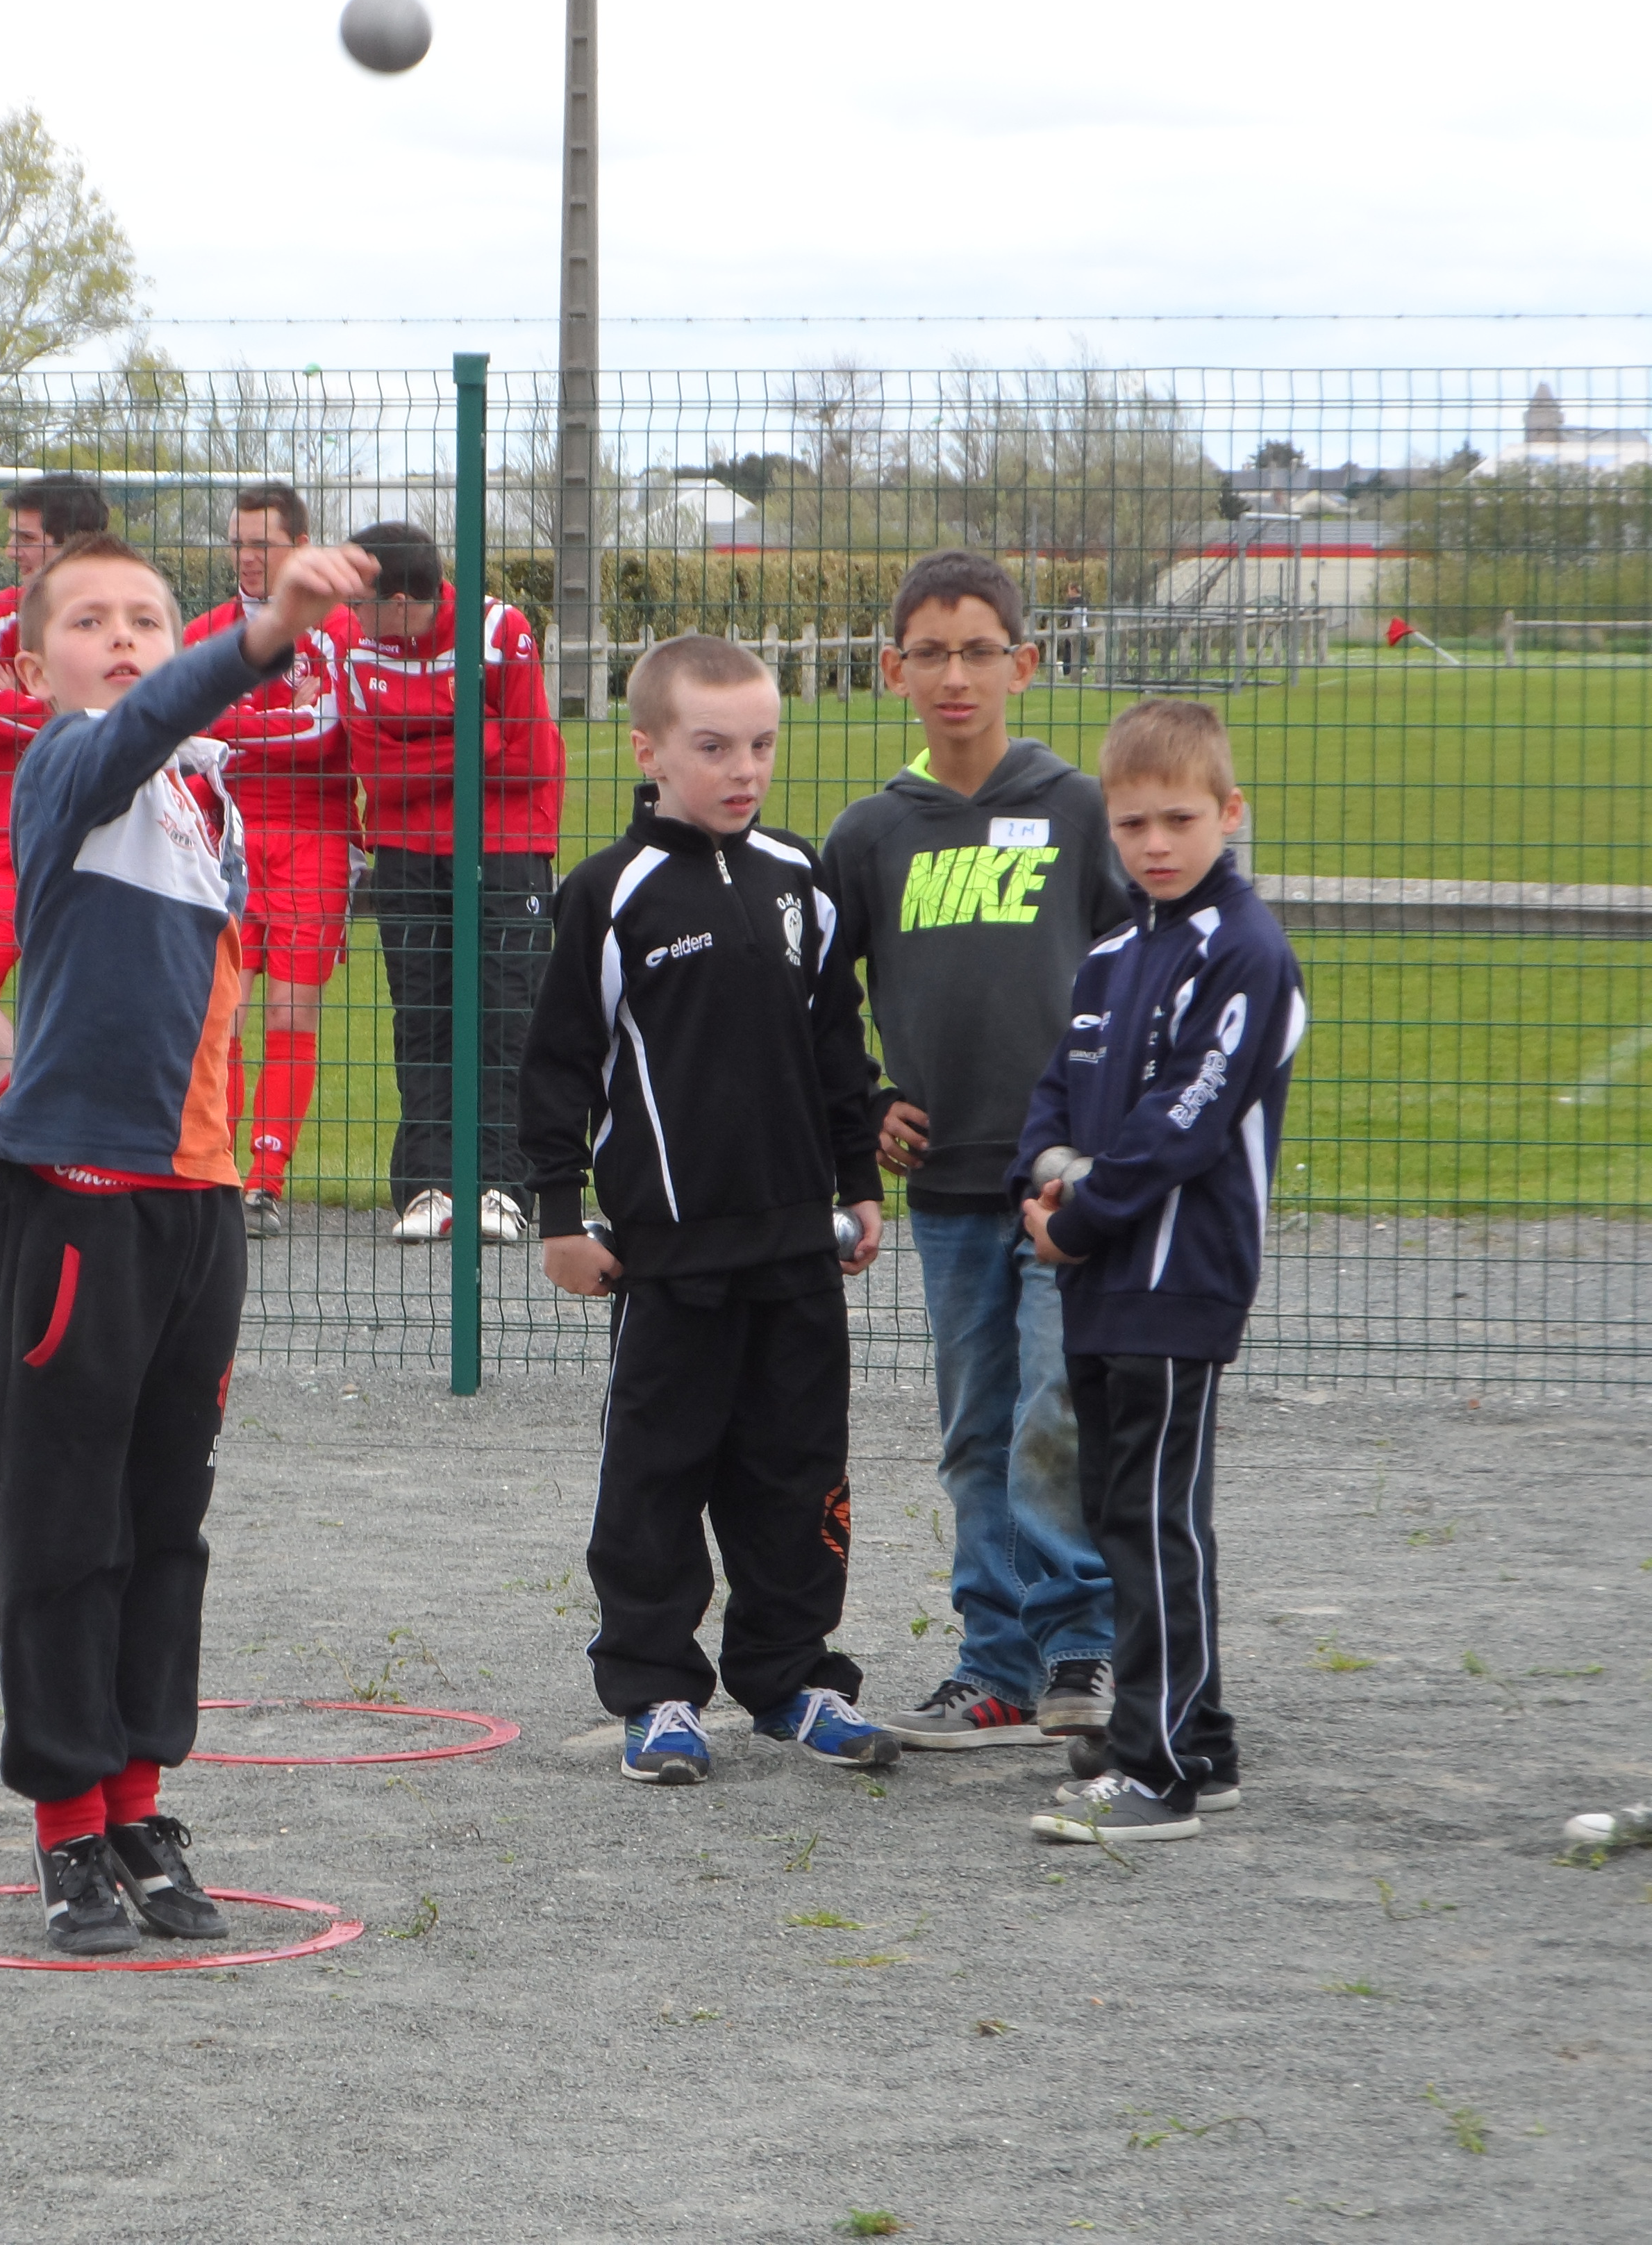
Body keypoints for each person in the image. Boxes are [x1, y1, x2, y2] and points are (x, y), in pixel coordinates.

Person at [0, 527, 380, 1954]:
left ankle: (140, 1805)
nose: (125, 639)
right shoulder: (67, 765)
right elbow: (146, 722)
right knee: (62, 1527)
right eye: (89, 621)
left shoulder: (205, 798)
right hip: (79, 1202)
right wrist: (264, 635)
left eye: (147, 618)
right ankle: (68, 1825)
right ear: (36, 668)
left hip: (196, 1209)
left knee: (165, 1527)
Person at [518, 635, 899, 1788]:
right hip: (671, 1259)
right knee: (656, 1475)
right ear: (650, 752)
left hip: (795, 1250)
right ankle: (657, 1691)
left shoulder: (798, 879)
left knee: (798, 1470)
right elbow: (557, 1066)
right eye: (714, 746)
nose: (745, 770)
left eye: (762, 745)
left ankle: (792, 1677)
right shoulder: (609, 894)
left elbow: (836, 1045)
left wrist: (859, 1182)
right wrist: (559, 1216)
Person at [821, 551, 1133, 1752]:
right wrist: (866, 1104)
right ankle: (994, 1662)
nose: (956, 676)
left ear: (1025, 663)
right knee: (976, 1430)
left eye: (979, 652)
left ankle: (1080, 1648)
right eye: (931, 654)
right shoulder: (872, 833)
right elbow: (817, 1000)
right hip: (948, 1189)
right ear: (892, 669)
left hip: (1063, 1184)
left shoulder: (1079, 811)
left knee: (1058, 1413)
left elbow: (1141, 972)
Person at [1017, 697, 1307, 1846]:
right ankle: (1198, 1739)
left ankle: (1162, 1769)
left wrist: (1079, 1217)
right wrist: (1037, 1181)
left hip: (1178, 1279)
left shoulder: (1246, 950)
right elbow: (1058, 1088)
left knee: (1154, 1524)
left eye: (1179, 819)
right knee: (1124, 1516)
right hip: (1100, 1278)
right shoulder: (1112, 953)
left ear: (1229, 814)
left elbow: (1186, 1119)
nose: (1155, 843)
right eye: (1132, 823)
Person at [338, 520, 564, 1243]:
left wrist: (422, 753)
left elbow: (531, 760)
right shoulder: (352, 641)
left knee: (506, 1015)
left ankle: (503, 1187)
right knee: (423, 1016)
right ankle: (428, 1188)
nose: (348, 615)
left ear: (401, 603)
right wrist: (477, 738)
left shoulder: (501, 631)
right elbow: (375, 770)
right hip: (405, 848)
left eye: (360, 602)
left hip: (507, 845)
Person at [0, 474, 113, 1238]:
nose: (11, 550)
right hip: (12, 839)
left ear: (68, 544)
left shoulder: (113, 613)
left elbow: (111, 721)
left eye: (25, 538)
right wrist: (53, 706)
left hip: (97, 841)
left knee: (83, 1007)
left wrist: (40, 704)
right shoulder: (6, 611)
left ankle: (89, 1164)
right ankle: (38, 1142)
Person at [181, 481, 362, 1235]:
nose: (247, 558)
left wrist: (232, 728)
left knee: (291, 1008)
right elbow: (185, 729)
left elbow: (326, 735)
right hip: (226, 836)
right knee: (220, 1010)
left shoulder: (339, 625)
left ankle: (265, 1179)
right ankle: (216, 1170)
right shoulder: (206, 631)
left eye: (262, 544)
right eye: (237, 544)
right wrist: (272, 722)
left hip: (316, 836)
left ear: (301, 546)